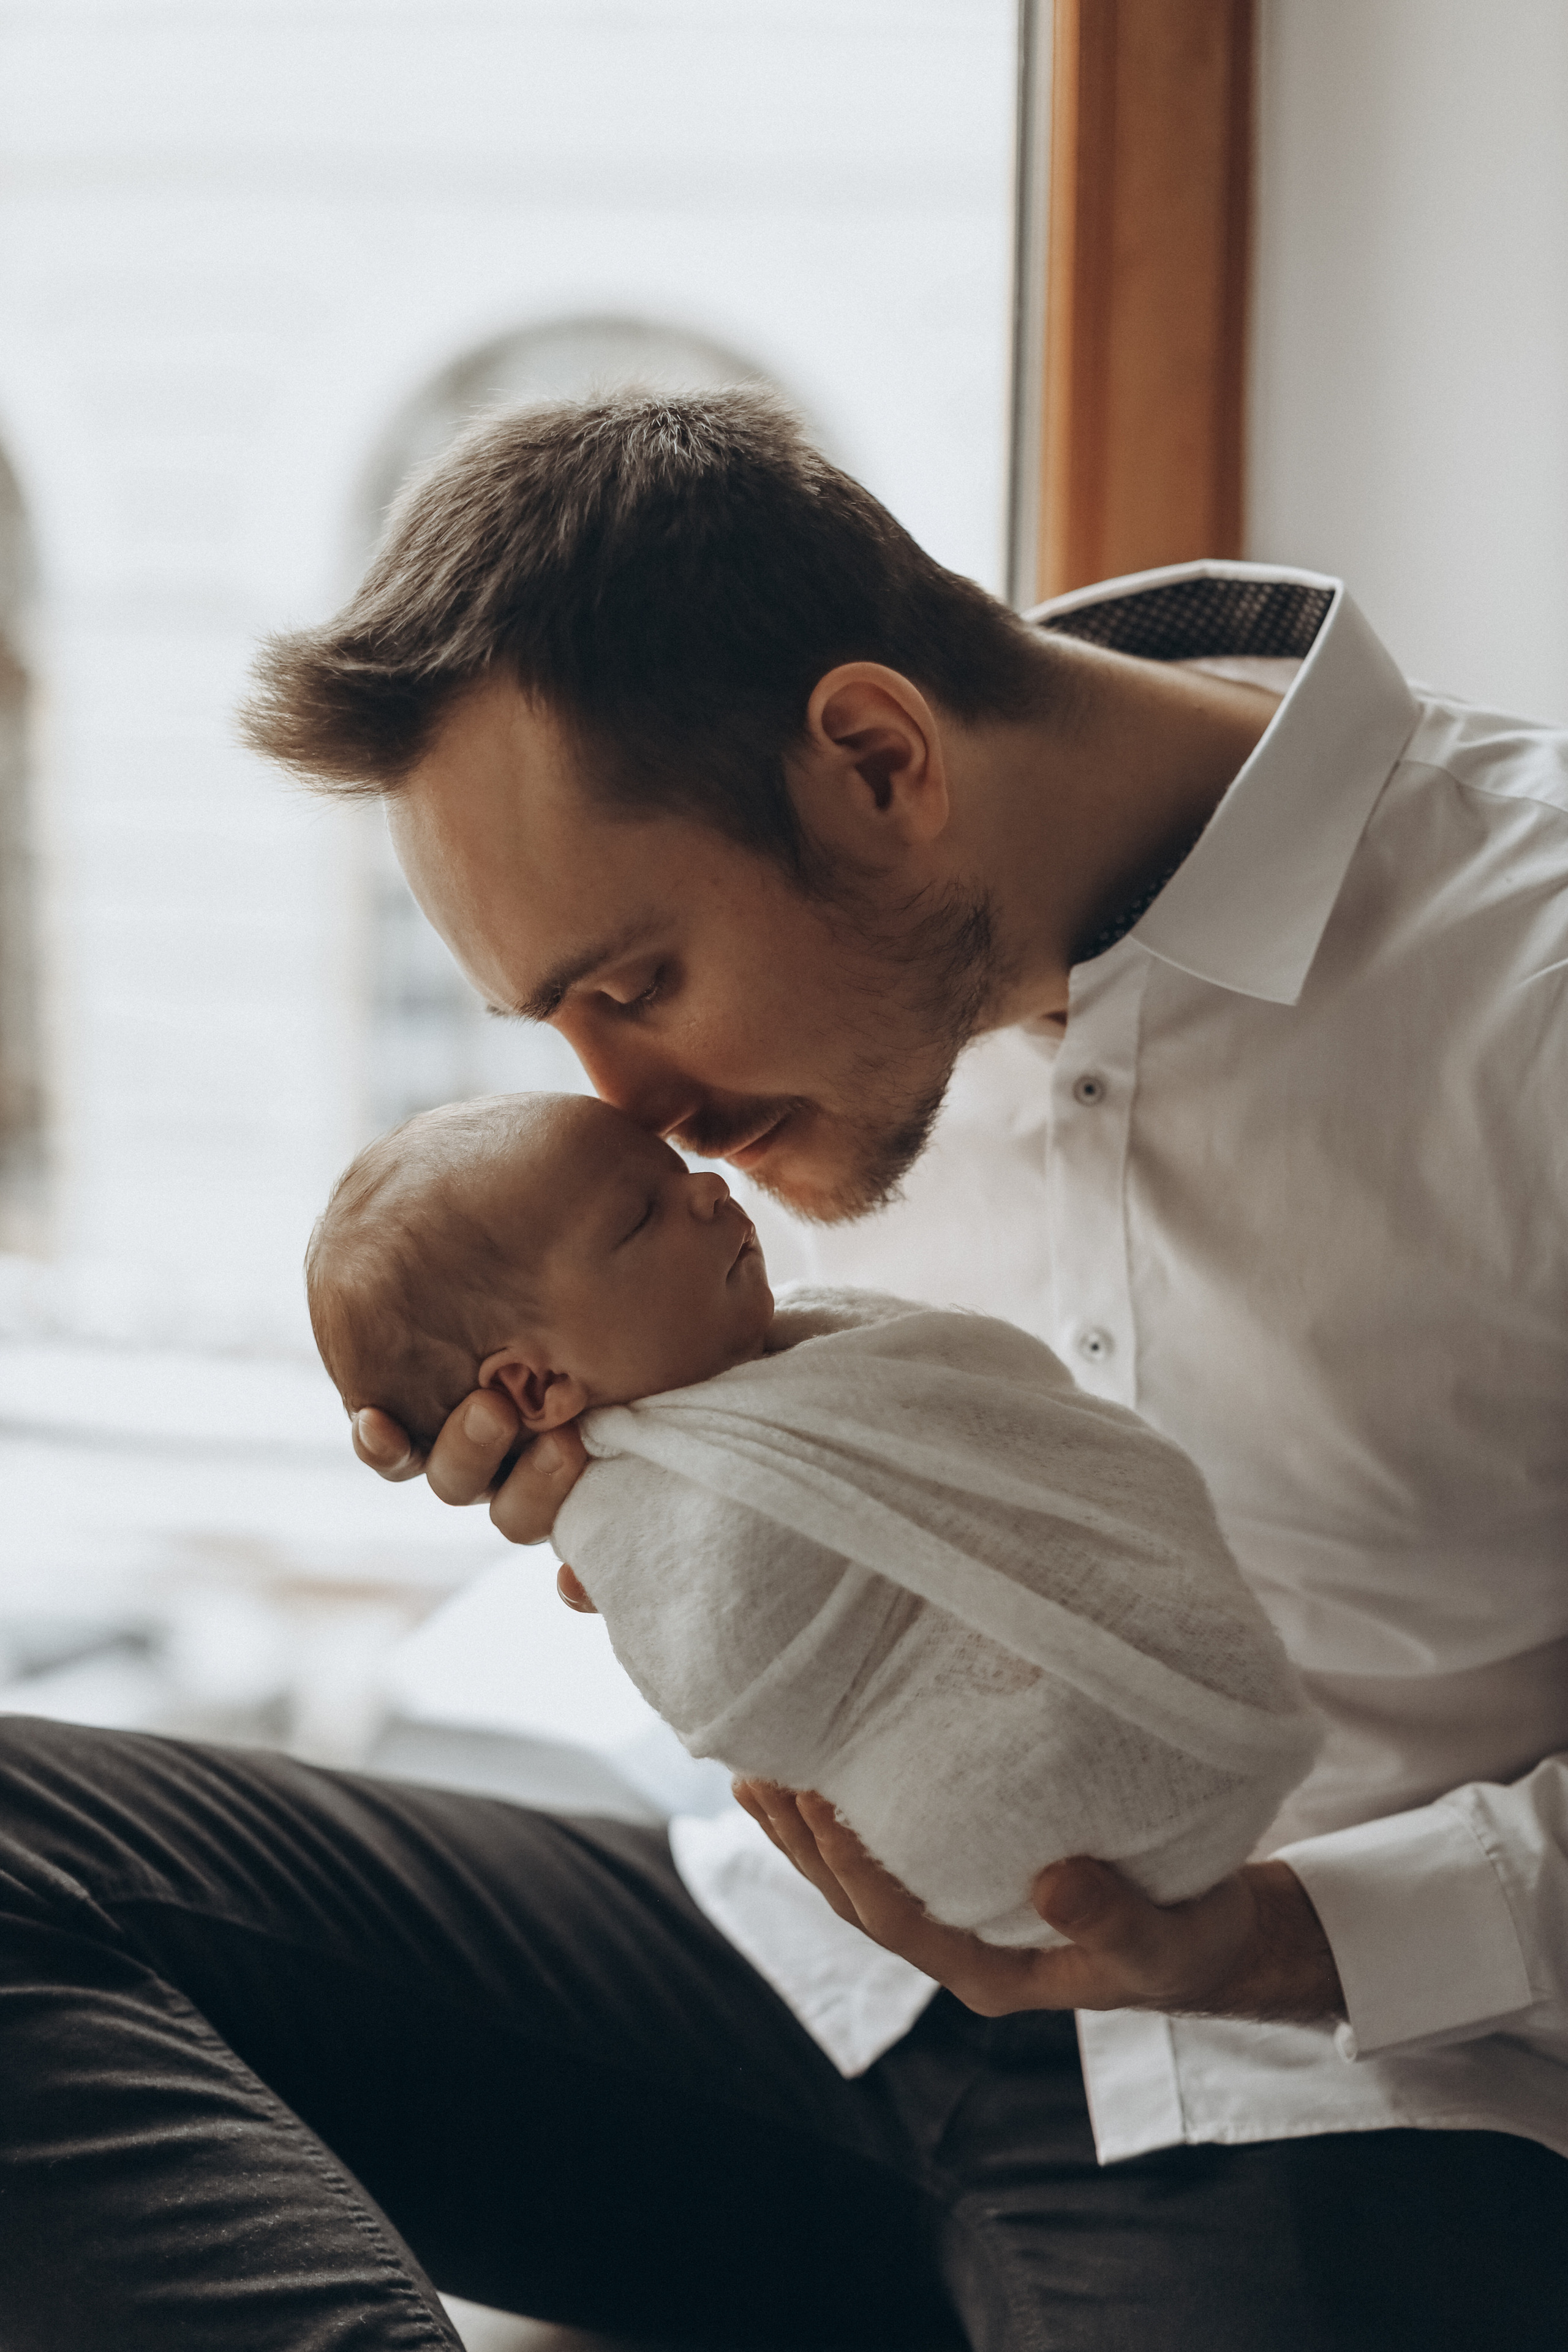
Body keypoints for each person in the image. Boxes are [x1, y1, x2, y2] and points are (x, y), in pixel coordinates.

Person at [1, 390, 1564, 2350]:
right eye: (552, 1019)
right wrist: (618, 1490)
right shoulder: (774, 1088)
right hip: (794, 1978)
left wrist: (1282, 1936)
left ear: (878, 760)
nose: (623, 1105)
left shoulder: (1534, 994)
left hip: (1344, 2084)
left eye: (632, 983)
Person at [306, 1088, 1317, 1948]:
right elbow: (734, 1679)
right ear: (533, 1386)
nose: (708, 1188)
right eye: (639, 1218)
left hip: (1223, 1796)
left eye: (677, 1175)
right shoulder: (630, 1505)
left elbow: (1010, 1415)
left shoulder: (811, 1332)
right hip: (997, 1812)